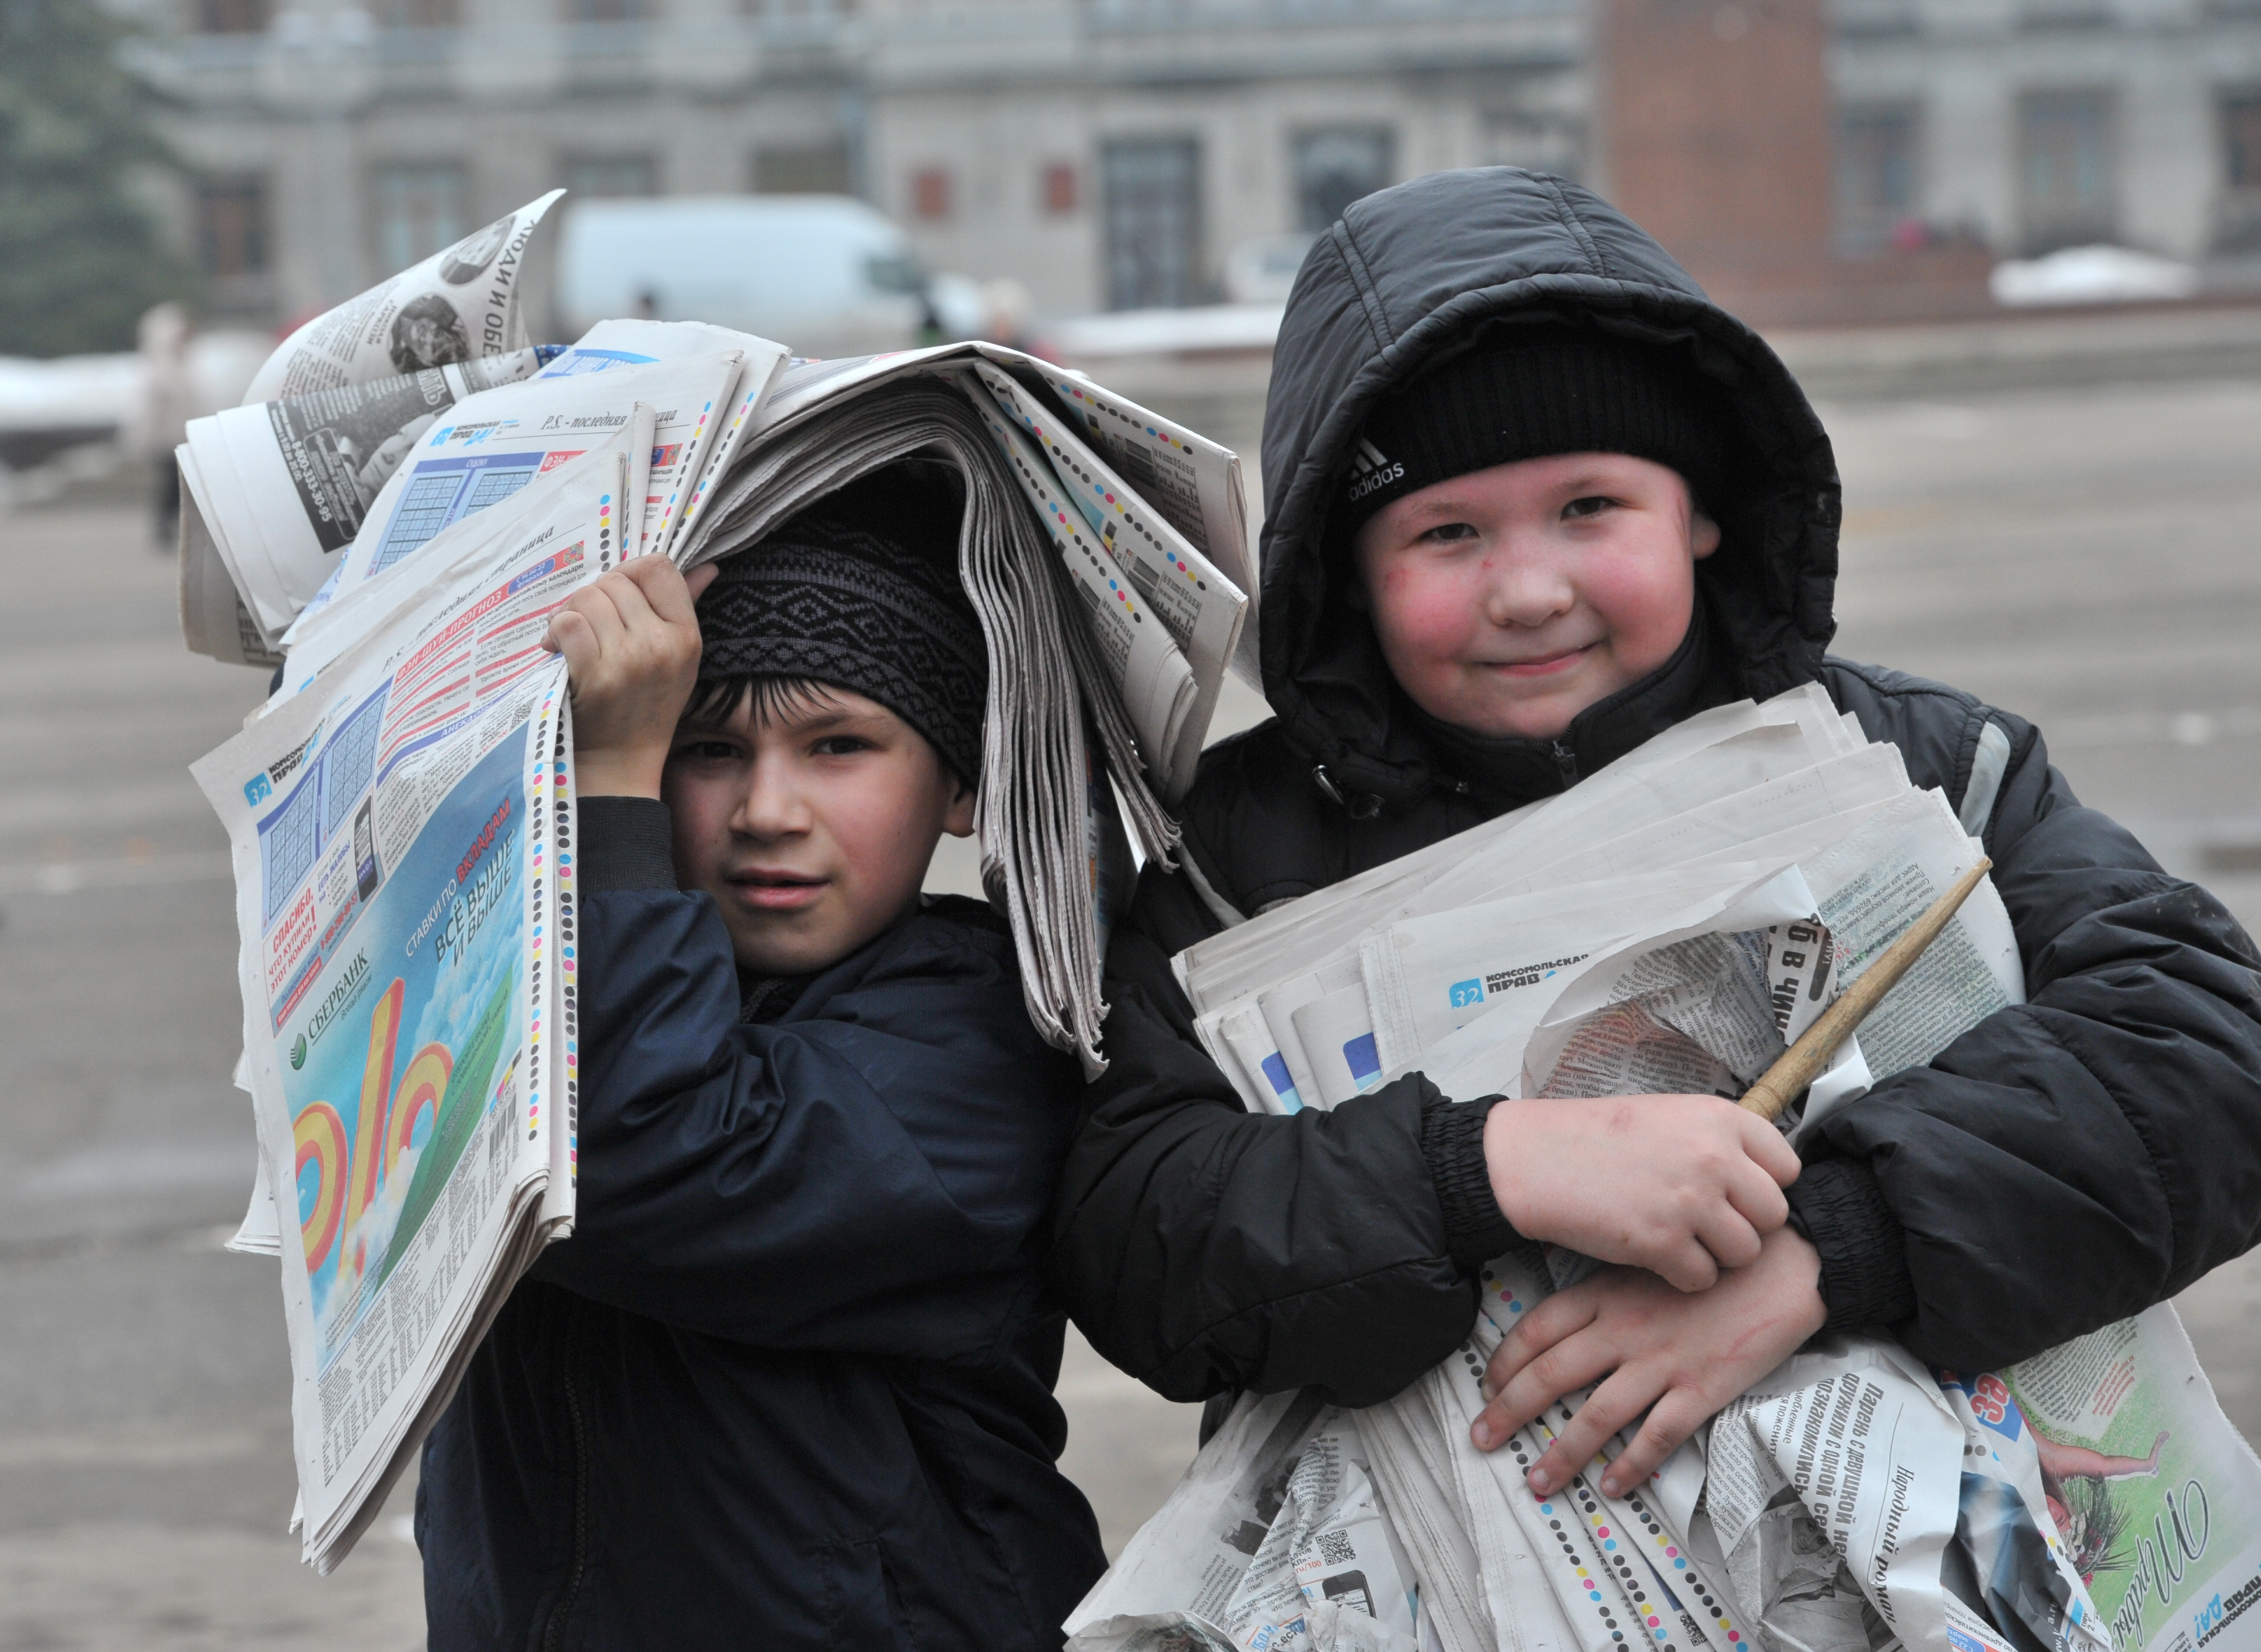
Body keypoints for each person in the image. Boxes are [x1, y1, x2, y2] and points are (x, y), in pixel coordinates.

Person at [1050, 167, 2261, 1504]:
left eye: (1591, 508)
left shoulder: (1929, 764)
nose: (1528, 590)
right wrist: (1478, 1167)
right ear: (1346, 575)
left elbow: (2206, 1053)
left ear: (1700, 510)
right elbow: (1132, 1232)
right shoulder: (1227, 862)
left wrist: (1833, 1248)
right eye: (1445, 533)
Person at [417, 464, 1108, 1648]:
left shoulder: (979, 1049)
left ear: (956, 784)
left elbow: (640, 1156)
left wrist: (618, 770)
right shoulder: (559, 979)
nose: (767, 811)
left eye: (839, 746)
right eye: (706, 748)